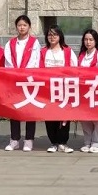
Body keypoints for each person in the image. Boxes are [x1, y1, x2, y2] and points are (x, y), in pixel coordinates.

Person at [4, 15, 41, 152]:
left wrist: (26, 74)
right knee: (14, 109)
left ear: (29, 27)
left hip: (29, 81)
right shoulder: (10, 43)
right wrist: (15, 75)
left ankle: (29, 139)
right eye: (19, 25)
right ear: (16, 27)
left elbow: (35, 61)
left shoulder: (34, 43)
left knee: (30, 110)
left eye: (24, 25)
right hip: (14, 81)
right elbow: (8, 61)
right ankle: (14, 139)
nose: (22, 27)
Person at [40, 25, 78, 153]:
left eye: (55, 34)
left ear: (60, 36)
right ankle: (53, 142)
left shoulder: (67, 51)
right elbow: (37, 69)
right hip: (47, 89)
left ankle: (63, 142)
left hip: (64, 89)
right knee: (50, 115)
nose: (52, 37)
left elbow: (75, 68)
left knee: (64, 116)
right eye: (49, 35)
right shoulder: (43, 51)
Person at [78, 29, 98, 153]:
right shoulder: (81, 56)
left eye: (91, 39)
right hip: (83, 92)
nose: (88, 42)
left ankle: (97, 143)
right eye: (86, 39)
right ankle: (87, 141)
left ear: (96, 41)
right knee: (85, 118)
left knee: (97, 119)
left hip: (96, 92)